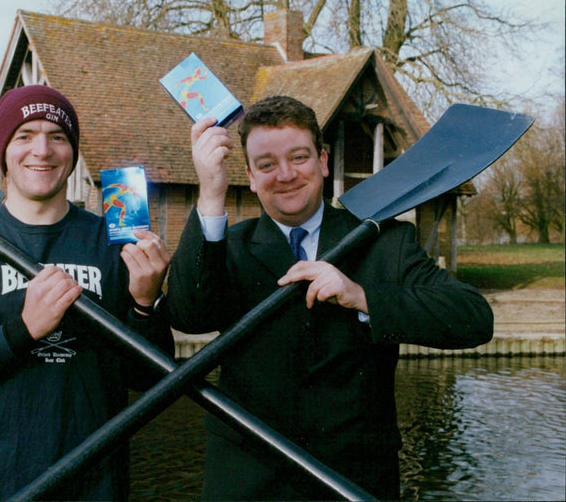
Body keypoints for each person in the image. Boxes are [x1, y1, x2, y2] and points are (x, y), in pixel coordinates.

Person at [167, 96, 493, 500]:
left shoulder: (382, 240)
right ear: (250, 177)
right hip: (249, 481)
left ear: (322, 162)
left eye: (299, 157)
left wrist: (362, 296)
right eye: (267, 164)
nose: (285, 174)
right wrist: (210, 195)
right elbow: (187, 315)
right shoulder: (226, 246)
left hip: (354, 480)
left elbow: (475, 317)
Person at [0, 85, 174, 501]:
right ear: (3, 152)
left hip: (96, 489)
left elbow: (151, 381)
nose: (41, 150)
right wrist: (21, 331)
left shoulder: (116, 241)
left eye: (57, 136)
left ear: (73, 151)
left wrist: (145, 304)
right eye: (24, 136)